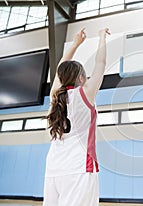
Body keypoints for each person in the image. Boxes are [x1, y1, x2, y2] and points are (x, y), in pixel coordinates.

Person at [43, 28, 110, 206]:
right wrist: (101, 36)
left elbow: (60, 69)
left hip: (54, 168)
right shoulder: (85, 94)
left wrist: (75, 44)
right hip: (80, 167)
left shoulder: (54, 96)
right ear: (81, 78)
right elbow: (101, 62)